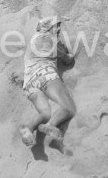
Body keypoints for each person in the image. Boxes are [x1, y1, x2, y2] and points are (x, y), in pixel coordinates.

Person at [19, 16, 76, 146]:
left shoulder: (34, 39)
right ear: (49, 28)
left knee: (45, 112)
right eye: (57, 26)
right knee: (68, 107)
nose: (59, 29)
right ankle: (50, 125)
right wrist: (69, 51)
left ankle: (28, 129)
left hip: (29, 84)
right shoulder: (51, 39)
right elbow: (68, 59)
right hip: (46, 74)